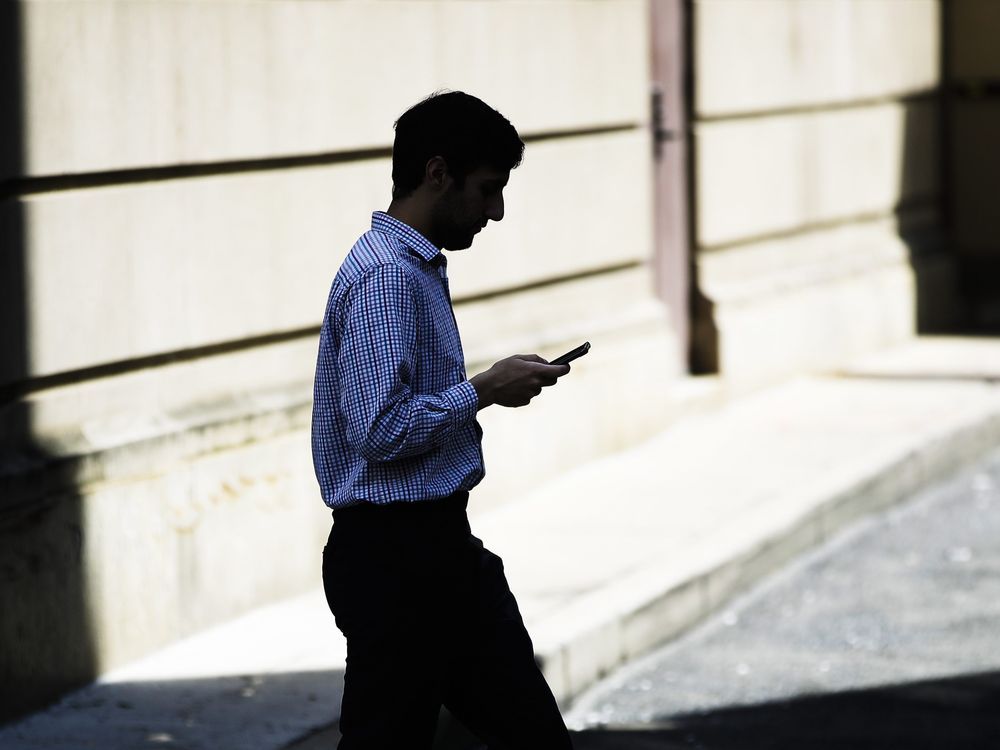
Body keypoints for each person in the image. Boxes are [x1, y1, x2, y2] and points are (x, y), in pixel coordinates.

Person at [311, 91, 575, 749]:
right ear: (437, 173)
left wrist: (485, 389)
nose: (496, 210)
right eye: (487, 189)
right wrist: (484, 389)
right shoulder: (387, 278)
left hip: (436, 553)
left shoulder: (411, 266)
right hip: (397, 562)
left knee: (534, 738)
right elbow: (378, 431)